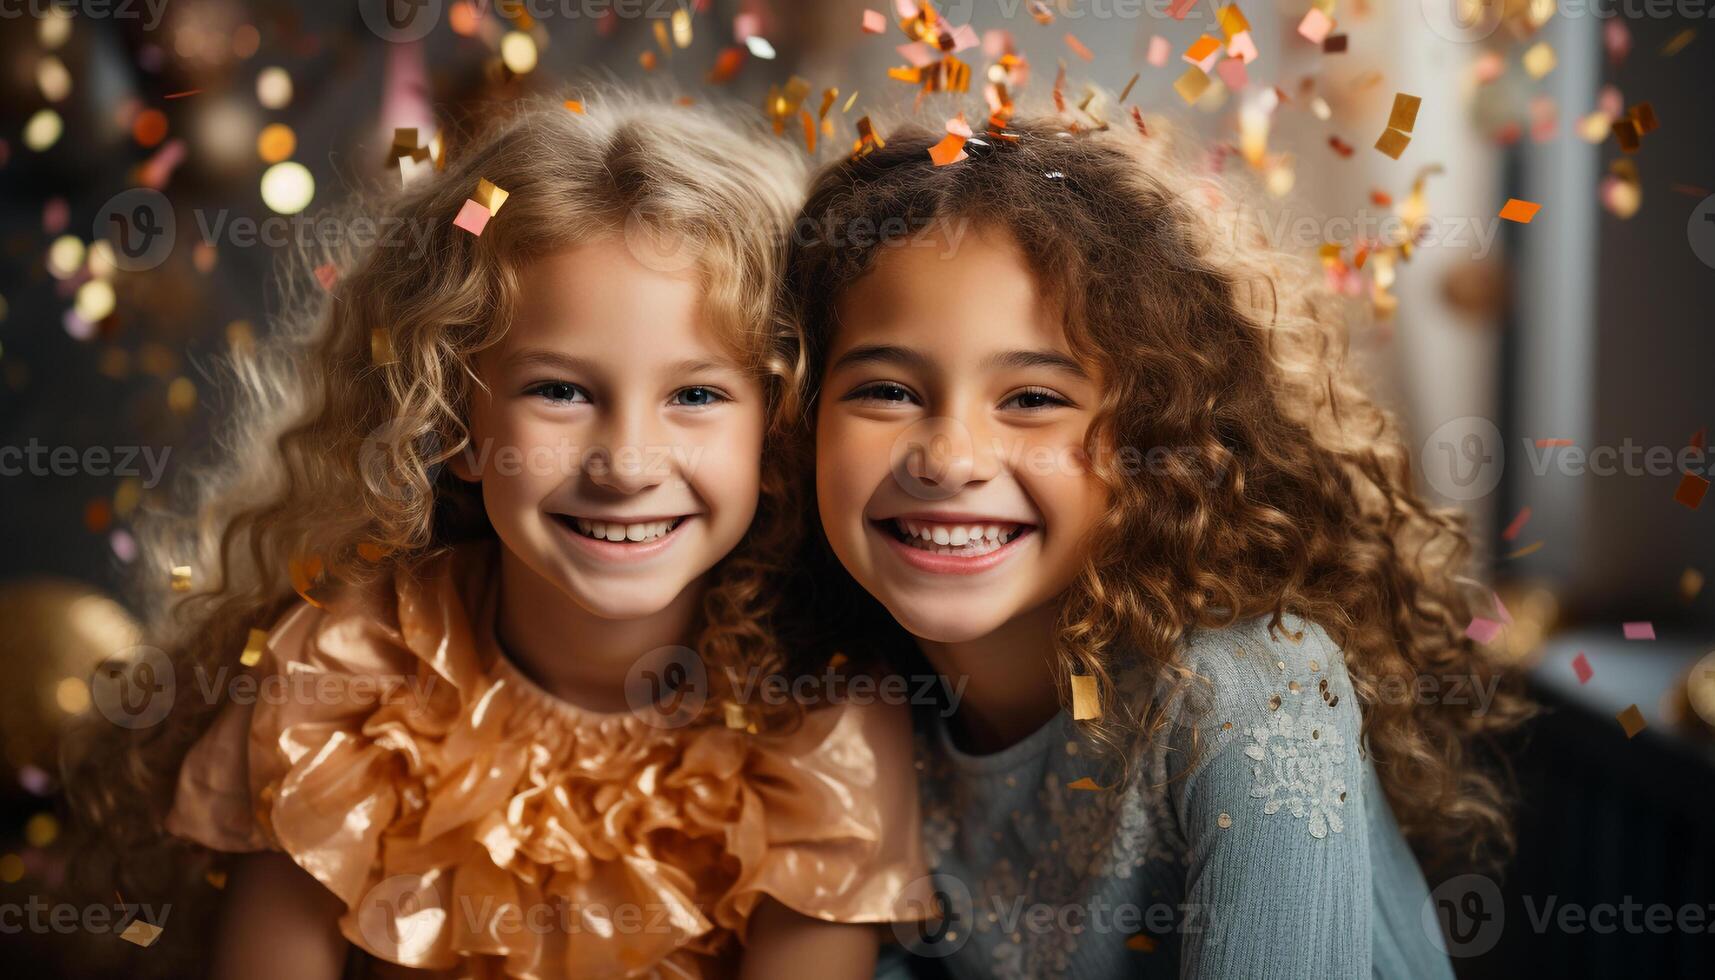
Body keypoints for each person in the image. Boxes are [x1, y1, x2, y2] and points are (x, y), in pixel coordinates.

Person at [79, 92, 927, 979]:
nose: (626, 464)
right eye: (560, 391)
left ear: (777, 431)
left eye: (696, 395)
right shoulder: (349, 668)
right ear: (452, 420)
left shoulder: (823, 721)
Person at [784, 108, 1531, 978]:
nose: (948, 459)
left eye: (1032, 399)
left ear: (1163, 440)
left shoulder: (1255, 690)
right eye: (885, 390)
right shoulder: (854, 701)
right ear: (800, 416)